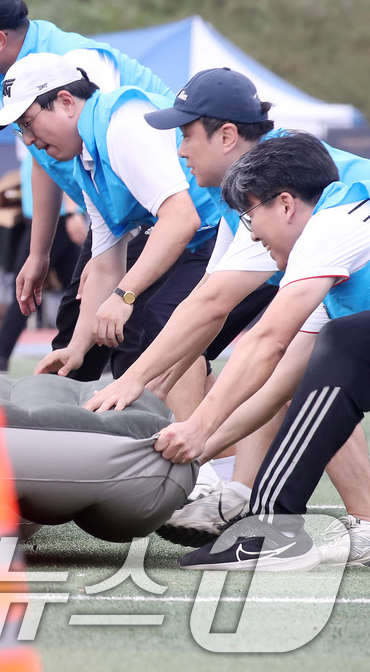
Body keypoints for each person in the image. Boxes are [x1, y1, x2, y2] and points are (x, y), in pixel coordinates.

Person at [84, 72, 370, 543]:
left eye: (186, 134)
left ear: (228, 136)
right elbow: (265, 366)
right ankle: (247, 494)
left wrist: (138, 386)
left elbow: (215, 309)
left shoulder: (285, 200)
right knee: (307, 366)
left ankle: (289, 507)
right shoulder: (253, 196)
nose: (179, 150)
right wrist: (190, 448)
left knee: (316, 361)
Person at [0, 0, 175, 382]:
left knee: (145, 335)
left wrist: (87, 221)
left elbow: (109, 144)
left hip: (160, 209)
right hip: (114, 213)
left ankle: (191, 436)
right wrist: (38, 253)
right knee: (77, 338)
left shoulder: (74, 63)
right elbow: (45, 160)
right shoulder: (14, 77)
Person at [158, 135, 370, 570]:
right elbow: (274, 388)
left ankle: (273, 526)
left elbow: (266, 339)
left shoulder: (330, 227)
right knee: (335, 350)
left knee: (342, 345)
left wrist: (197, 426)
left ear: (287, 204)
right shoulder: (335, 252)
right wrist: (193, 454)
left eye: (250, 214)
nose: (250, 232)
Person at [0, 55, 225, 381]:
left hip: (241, 223)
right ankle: (199, 428)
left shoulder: (121, 126)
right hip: (214, 231)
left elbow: (181, 219)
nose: (28, 140)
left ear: (67, 102)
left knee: (164, 323)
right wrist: (77, 348)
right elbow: (105, 264)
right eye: (20, 130)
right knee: (161, 327)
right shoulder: (88, 157)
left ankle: (191, 432)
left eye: (28, 123)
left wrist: (124, 295)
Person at [0, 149, 87, 375]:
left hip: (53, 218)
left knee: (27, 287)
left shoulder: (44, 127)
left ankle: (0, 356)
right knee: (79, 289)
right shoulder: (30, 131)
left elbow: (64, 159)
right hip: (44, 216)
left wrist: (71, 212)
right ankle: (102, 353)